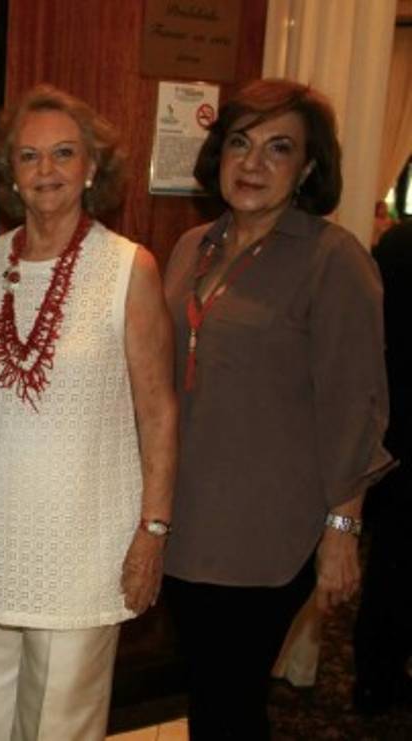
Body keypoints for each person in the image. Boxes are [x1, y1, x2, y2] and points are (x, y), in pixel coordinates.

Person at [0, 84, 177, 740]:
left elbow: (158, 411)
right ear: (8, 172)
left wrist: (152, 532)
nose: (46, 170)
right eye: (28, 156)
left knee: (59, 725)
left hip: (82, 545)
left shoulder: (129, 267)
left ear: (91, 167)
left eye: (63, 154)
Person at [162, 79, 391, 739]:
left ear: (309, 167)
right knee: (209, 694)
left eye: (278, 148)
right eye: (240, 143)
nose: (253, 163)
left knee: (230, 702)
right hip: (184, 522)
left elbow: (358, 400)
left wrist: (342, 529)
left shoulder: (332, 258)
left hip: (266, 534)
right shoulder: (192, 246)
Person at [353, 215, 412, 714]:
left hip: (396, 430)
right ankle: (378, 678)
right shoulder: (399, 245)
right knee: (394, 567)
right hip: (399, 432)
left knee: (392, 567)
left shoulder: (397, 242)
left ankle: (376, 677)